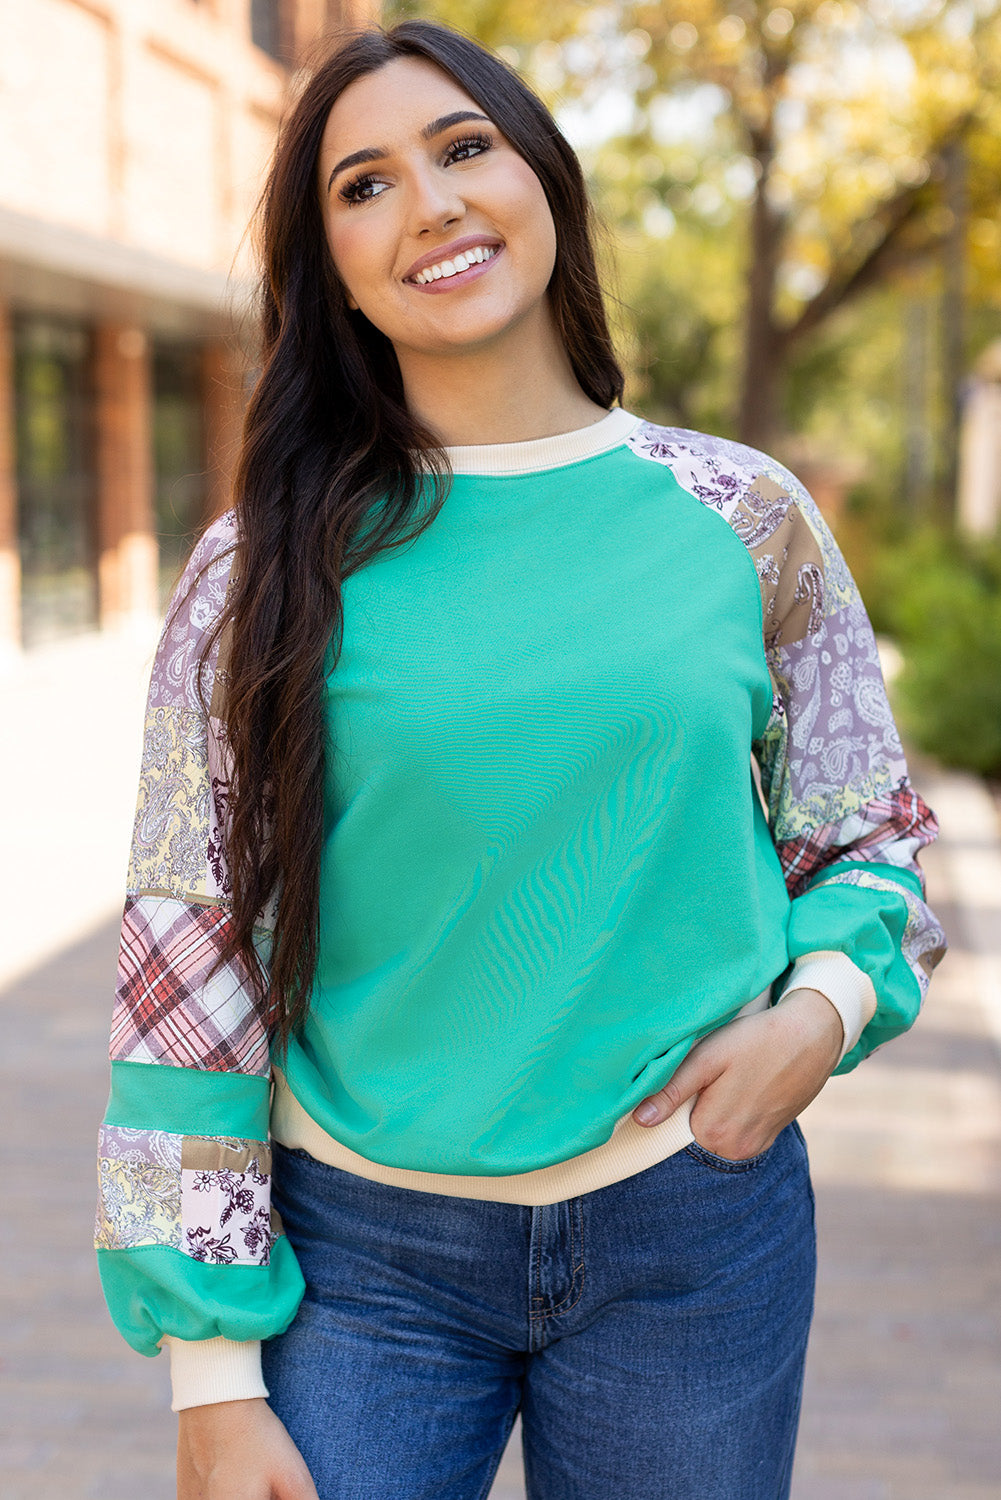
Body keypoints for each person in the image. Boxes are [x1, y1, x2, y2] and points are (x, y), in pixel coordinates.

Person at [94, 19, 946, 1500]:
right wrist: (212, 1370)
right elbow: (186, 949)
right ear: (331, 266)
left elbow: (863, 829)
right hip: (359, 1260)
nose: (426, 204)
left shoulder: (741, 514)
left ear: (541, 174)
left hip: (693, 1228)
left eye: (463, 147)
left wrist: (818, 1013)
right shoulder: (261, 570)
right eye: (361, 186)